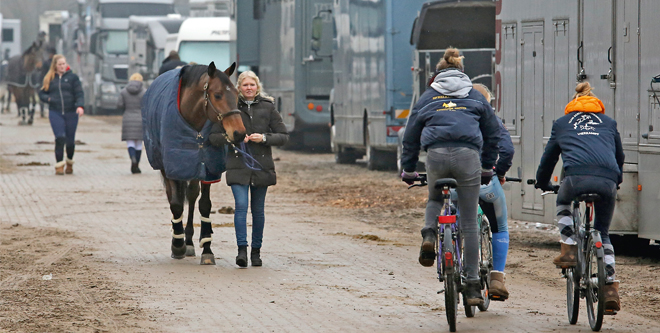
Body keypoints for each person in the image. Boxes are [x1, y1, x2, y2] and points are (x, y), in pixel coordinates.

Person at [400, 48, 500, 306]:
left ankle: (429, 235)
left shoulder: (427, 97)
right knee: (468, 221)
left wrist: (409, 169)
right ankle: (473, 287)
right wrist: (488, 166)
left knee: (434, 198)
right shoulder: (475, 97)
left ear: (437, 74)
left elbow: (410, 136)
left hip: (436, 156)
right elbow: (493, 134)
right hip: (468, 158)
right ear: (462, 72)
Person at [535, 81, 624, 312]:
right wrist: (617, 181)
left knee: (563, 202)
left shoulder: (562, 124)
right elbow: (619, 156)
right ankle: (611, 288)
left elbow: (549, 159)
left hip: (574, 180)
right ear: (597, 106)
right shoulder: (609, 123)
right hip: (607, 181)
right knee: (603, 233)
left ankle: (569, 249)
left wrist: (542, 182)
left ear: (571, 107)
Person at [209, 70, 289, 268]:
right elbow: (213, 137)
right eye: (245, 85)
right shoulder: (231, 106)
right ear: (239, 88)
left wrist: (263, 138)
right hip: (238, 165)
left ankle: (256, 252)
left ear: (257, 86)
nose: (249, 88)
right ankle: (242, 251)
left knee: (258, 211)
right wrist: (231, 138)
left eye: (252, 85)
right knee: (241, 206)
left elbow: (283, 135)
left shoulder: (268, 107)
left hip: (262, 165)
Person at [470, 83, 514, 300]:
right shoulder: (492, 120)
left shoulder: (457, 116)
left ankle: (461, 267)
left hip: (460, 181)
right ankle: (497, 277)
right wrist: (500, 172)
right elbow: (506, 149)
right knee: (500, 226)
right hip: (487, 182)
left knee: (460, 224)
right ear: (488, 102)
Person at [38, 54, 84, 175]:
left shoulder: (73, 78)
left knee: (70, 140)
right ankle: (59, 165)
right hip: (55, 112)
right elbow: (41, 93)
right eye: (60, 64)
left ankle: (69, 162)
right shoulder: (50, 78)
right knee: (60, 137)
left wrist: (80, 106)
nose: (62, 66)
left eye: (64, 64)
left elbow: (79, 93)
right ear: (55, 66)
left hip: (71, 112)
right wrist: (47, 99)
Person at [118, 72, 146, 174]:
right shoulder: (144, 92)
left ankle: (132, 159)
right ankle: (137, 164)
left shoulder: (124, 91)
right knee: (139, 143)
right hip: (140, 119)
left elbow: (119, 105)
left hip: (127, 118)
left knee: (130, 142)